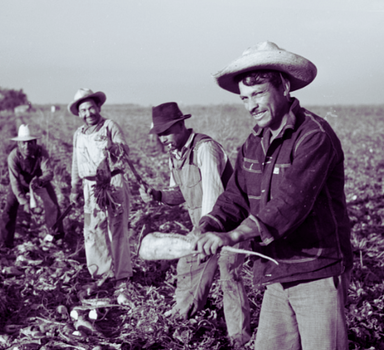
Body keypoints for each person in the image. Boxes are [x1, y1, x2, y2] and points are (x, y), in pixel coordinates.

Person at [194, 41, 353, 350]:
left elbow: (291, 203)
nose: (250, 106)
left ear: (284, 88)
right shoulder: (253, 143)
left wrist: (234, 235)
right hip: (276, 272)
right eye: (244, 98)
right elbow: (235, 196)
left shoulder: (314, 136)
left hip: (316, 272)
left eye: (258, 94)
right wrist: (209, 224)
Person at [139, 102, 251, 347]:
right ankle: (181, 321)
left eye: (166, 131)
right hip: (201, 232)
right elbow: (178, 193)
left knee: (229, 277)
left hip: (228, 227)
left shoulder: (204, 149)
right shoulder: (175, 156)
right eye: (159, 134)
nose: (163, 139)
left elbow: (214, 196)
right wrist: (158, 195)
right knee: (187, 269)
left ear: (181, 125)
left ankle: (240, 341)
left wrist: (203, 232)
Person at [68, 88, 132, 288]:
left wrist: (114, 147)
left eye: (91, 108)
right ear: (79, 114)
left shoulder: (109, 126)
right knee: (93, 230)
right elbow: (76, 163)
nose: (88, 114)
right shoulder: (78, 134)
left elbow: (124, 150)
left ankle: (122, 276)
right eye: (84, 110)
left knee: (117, 227)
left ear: (98, 107)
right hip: (91, 186)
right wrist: (74, 188)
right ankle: (101, 274)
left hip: (113, 183)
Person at [0, 124, 64, 249]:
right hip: (20, 183)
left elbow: (49, 172)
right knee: (9, 209)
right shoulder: (13, 156)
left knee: (53, 205)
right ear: (18, 144)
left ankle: (56, 237)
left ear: (35, 142)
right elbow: (14, 181)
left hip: (39, 182)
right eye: (23, 143)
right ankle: (4, 244)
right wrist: (24, 201)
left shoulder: (42, 152)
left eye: (30, 142)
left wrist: (41, 180)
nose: (27, 146)